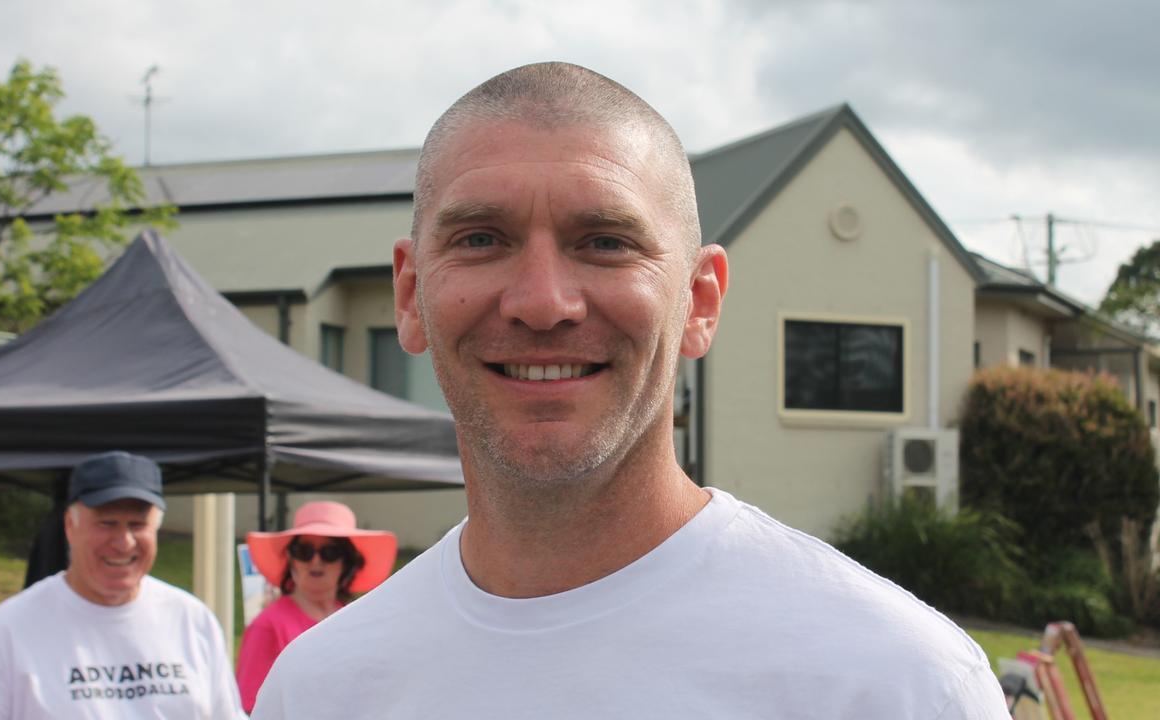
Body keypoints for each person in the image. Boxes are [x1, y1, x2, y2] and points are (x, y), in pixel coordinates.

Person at [252, 62, 1008, 719]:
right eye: (482, 238)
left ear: (700, 301)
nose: (543, 302)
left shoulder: (894, 686)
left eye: (605, 242)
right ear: (410, 294)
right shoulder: (319, 691)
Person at [0, 451, 246, 719]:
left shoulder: (192, 621)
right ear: (70, 526)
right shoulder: (6, 634)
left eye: (137, 525)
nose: (123, 542)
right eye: (107, 523)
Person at [235, 501, 396, 713]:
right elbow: (248, 708)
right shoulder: (268, 625)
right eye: (304, 551)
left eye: (329, 552)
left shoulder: (356, 620)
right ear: (291, 560)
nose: (316, 561)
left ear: (346, 562)